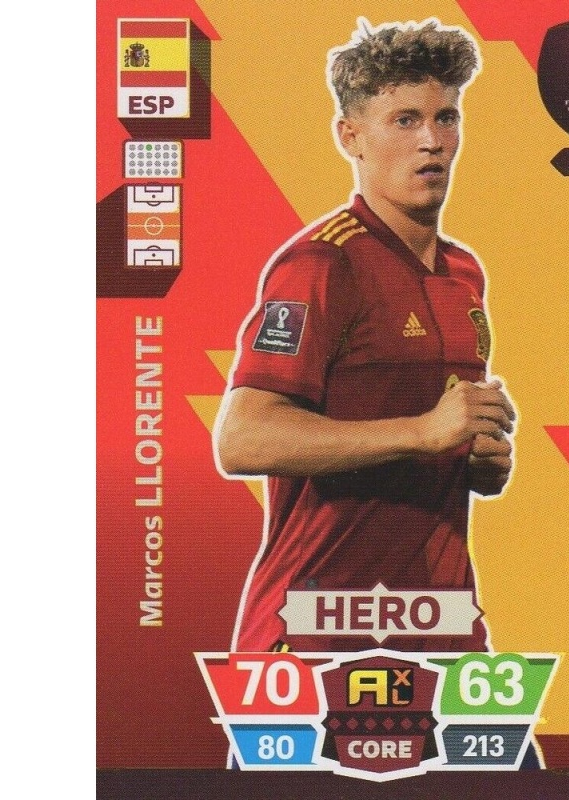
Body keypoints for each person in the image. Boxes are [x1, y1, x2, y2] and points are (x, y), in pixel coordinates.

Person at [215, 18, 516, 658]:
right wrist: (423, 432)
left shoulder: (464, 272)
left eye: (446, 117)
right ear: (349, 136)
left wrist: (475, 458)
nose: (432, 141)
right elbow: (241, 439)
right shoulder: (320, 264)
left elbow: (428, 434)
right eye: (405, 120)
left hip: (440, 626)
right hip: (316, 631)